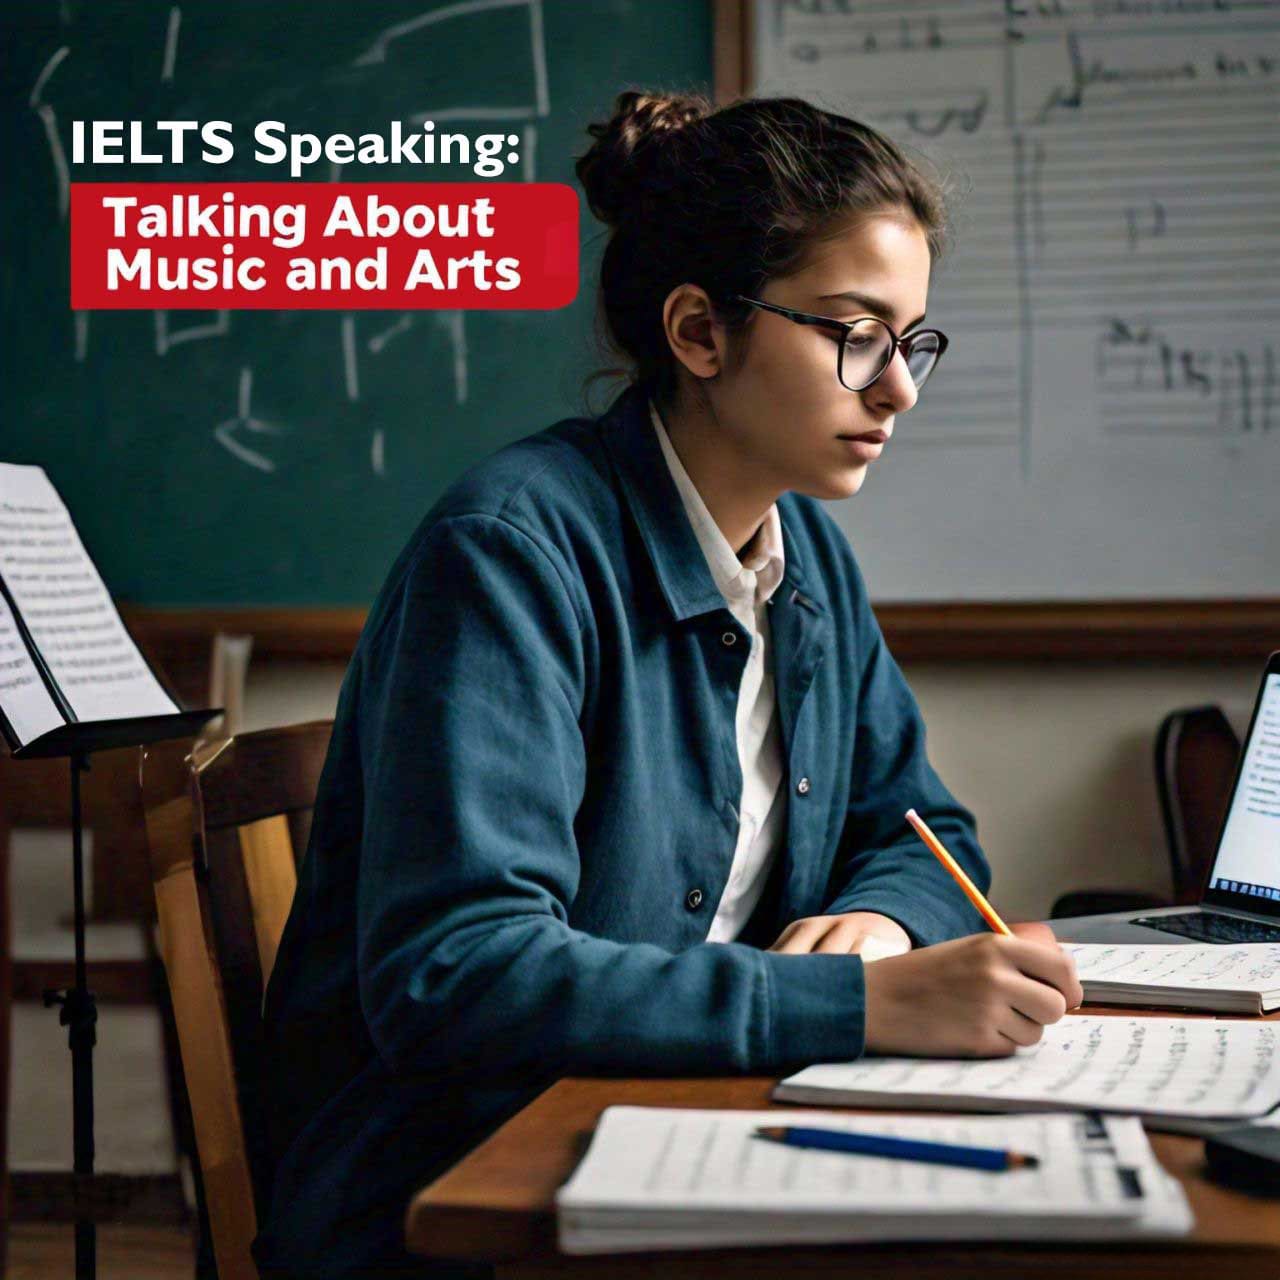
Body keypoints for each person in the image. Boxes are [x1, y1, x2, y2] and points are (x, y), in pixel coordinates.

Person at [253, 90, 1082, 1279]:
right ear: (698, 333)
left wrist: (886, 922)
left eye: (911, 339)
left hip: (678, 1128)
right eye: (855, 332)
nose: (897, 386)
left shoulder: (810, 564)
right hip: (450, 1190)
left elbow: (924, 831)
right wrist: (860, 1008)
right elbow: (459, 973)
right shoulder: (512, 550)